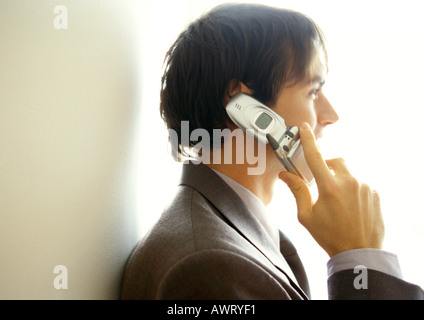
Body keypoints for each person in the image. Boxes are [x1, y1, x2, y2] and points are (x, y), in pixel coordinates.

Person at [121, 3, 424, 299]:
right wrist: (360, 260)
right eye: (313, 91)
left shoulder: (236, 234)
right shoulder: (207, 266)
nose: (331, 114)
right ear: (244, 108)